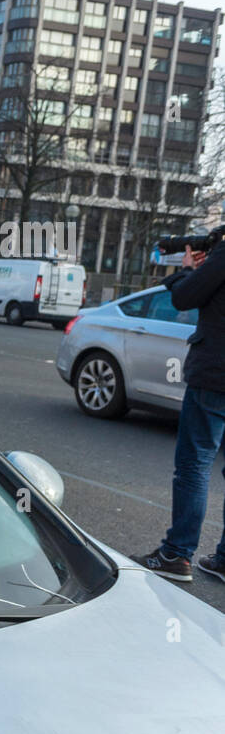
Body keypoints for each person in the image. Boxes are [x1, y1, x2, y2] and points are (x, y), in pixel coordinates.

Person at [141, 236, 225, 581]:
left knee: (194, 464)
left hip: (216, 376)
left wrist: (187, 270)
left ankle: (177, 554)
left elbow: (185, 297)